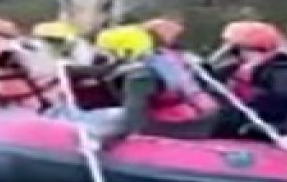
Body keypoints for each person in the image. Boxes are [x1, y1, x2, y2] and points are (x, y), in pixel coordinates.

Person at [89, 25, 219, 141]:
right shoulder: (162, 59)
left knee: (109, 121)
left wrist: (101, 136)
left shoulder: (140, 78)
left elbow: (135, 123)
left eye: (107, 53)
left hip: (190, 125)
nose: (102, 59)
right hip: (200, 117)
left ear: (125, 52)